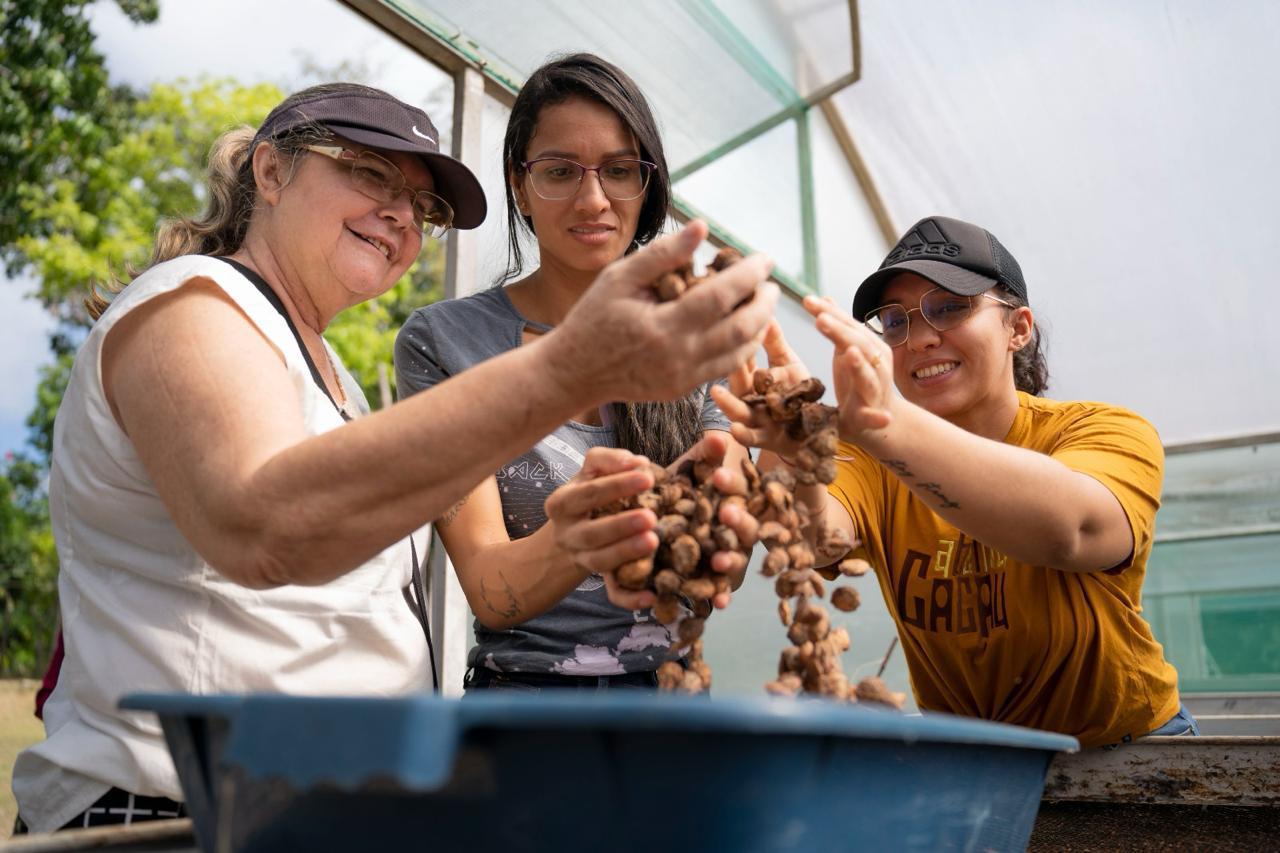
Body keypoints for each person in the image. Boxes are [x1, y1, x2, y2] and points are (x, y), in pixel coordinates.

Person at [12, 82, 777, 834]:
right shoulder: (191, 304)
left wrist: (591, 535)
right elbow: (261, 524)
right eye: (371, 173)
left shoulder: (333, 376)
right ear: (271, 172)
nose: (399, 214)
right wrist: (566, 372)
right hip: (186, 811)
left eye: (422, 206)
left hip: (323, 814)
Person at [710, 215, 1193, 749]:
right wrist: (792, 447)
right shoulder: (873, 455)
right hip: (977, 763)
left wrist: (889, 424)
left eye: (949, 307)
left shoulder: (1103, 430)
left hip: (1130, 753)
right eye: (894, 321)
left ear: (1018, 328)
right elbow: (816, 541)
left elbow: (1073, 530)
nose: (918, 339)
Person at [395, 54, 757, 691]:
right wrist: (594, 532)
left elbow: (716, 579)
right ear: (518, 185)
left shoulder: (697, 333)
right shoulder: (446, 342)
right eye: (560, 172)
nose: (593, 200)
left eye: (619, 171)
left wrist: (730, 498)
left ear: (647, 185)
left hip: (673, 705)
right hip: (523, 710)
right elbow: (488, 588)